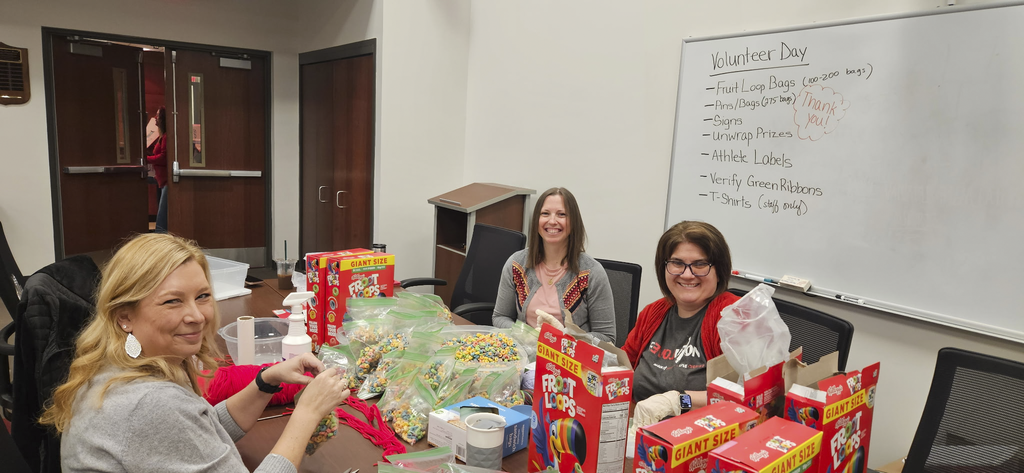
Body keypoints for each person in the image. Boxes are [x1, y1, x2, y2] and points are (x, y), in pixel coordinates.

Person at [39, 233, 350, 472]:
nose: (197, 316)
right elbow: (174, 423)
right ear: (125, 316)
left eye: (202, 296)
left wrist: (266, 381)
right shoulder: (149, 404)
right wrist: (307, 414)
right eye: (172, 301)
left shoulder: (118, 365)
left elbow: (199, 430)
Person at [622, 221, 740, 427]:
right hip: (640, 436)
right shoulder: (653, 313)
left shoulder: (732, 317)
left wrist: (678, 401)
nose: (687, 274)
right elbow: (622, 368)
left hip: (700, 443)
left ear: (719, 270)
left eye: (700, 264)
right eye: (677, 263)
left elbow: (741, 396)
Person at [492, 187, 616, 343]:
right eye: (545, 213)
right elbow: (500, 317)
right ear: (536, 220)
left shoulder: (592, 273)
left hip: (571, 361)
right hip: (525, 355)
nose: (552, 221)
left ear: (573, 222)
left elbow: (607, 338)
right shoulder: (516, 264)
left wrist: (563, 337)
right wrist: (525, 334)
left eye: (561, 214)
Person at [147, 107, 169, 233]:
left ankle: (159, 239)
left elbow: (164, 157)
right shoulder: (162, 136)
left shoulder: (166, 137)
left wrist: (147, 159)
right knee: (162, 213)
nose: (155, 120)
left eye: (157, 116)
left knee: (162, 216)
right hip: (161, 180)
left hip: (166, 180)